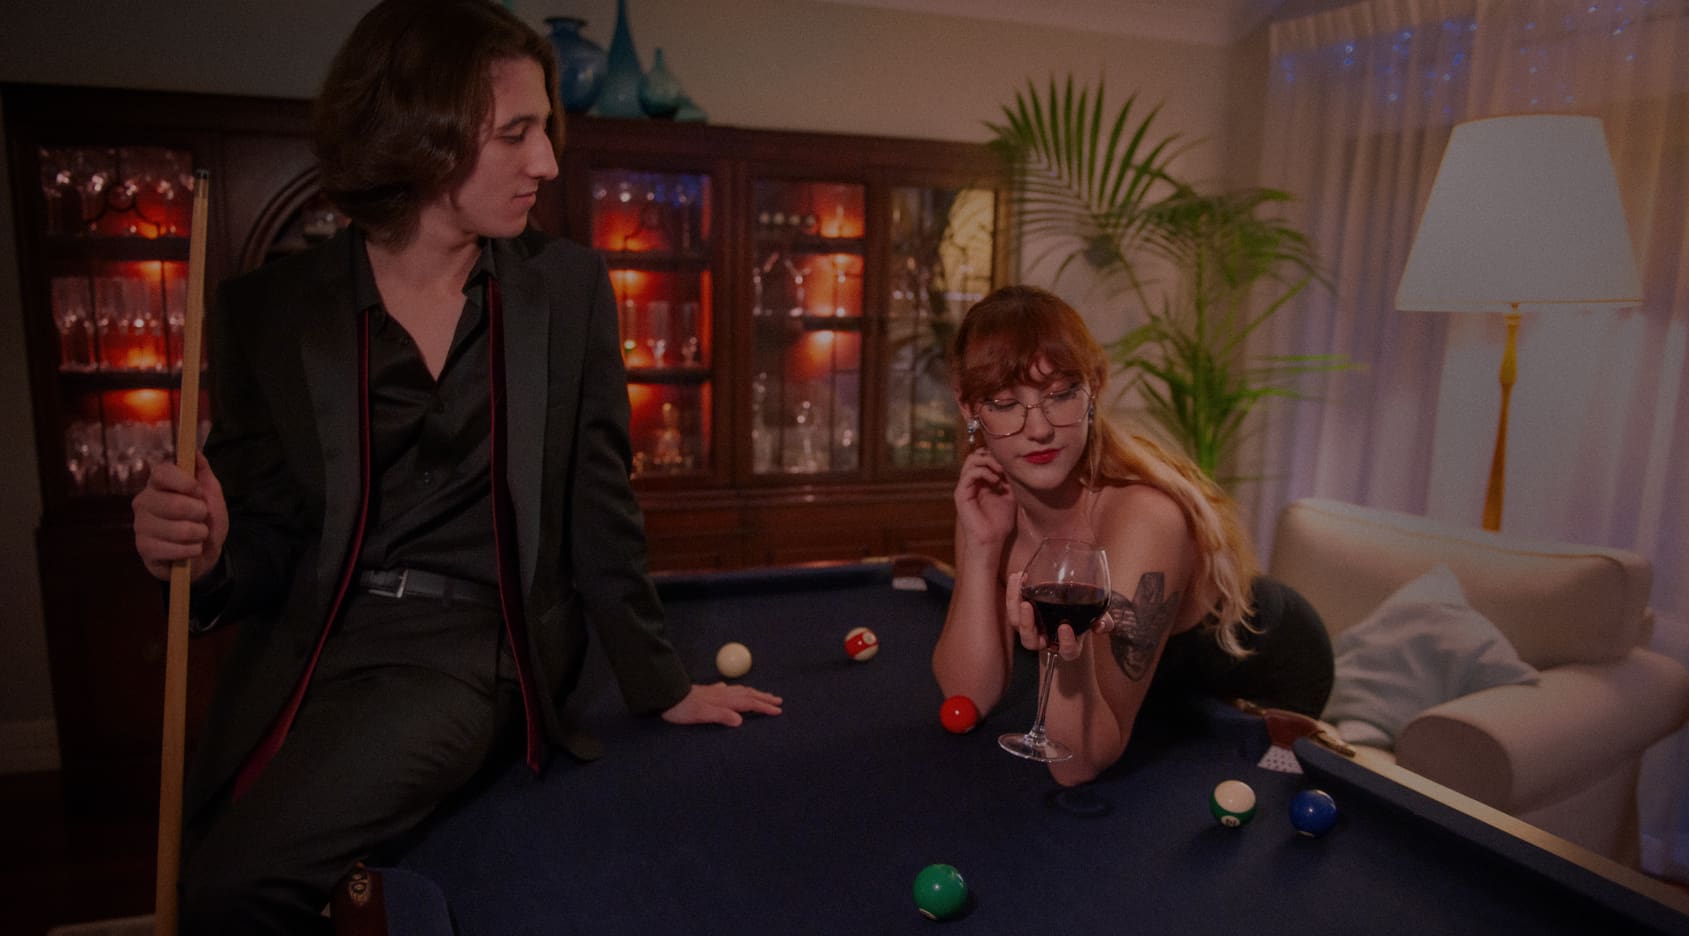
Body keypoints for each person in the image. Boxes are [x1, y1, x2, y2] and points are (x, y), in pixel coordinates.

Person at [130, 1, 780, 931]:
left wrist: (661, 683)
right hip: (310, 651)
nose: (546, 161)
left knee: (234, 886)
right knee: (212, 862)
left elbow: (599, 507)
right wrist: (204, 556)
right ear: (419, 137)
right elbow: (268, 537)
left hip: (472, 647)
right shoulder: (268, 311)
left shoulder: (565, 288)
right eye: (515, 133)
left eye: (545, 130)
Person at [932, 285, 1332, 787]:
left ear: (1094, 388)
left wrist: (1072, 659)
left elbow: (1077, 765)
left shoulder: (1145, 516)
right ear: (969, 407)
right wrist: (981, 548)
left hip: (1264, 671)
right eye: (1005, 403)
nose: (1038, 429)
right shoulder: (988, 498)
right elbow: (967, 699)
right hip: (1155, 690)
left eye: (1061, 394)